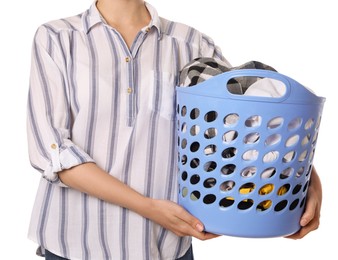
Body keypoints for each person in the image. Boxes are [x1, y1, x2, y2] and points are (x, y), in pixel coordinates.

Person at [26, 0, 322, 259]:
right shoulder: (57, 39)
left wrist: (307, 181)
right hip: (76, 245)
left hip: (164, 246)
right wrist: (147, 207)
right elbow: (54, 153)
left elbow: (249, 129)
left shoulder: (193, 45)